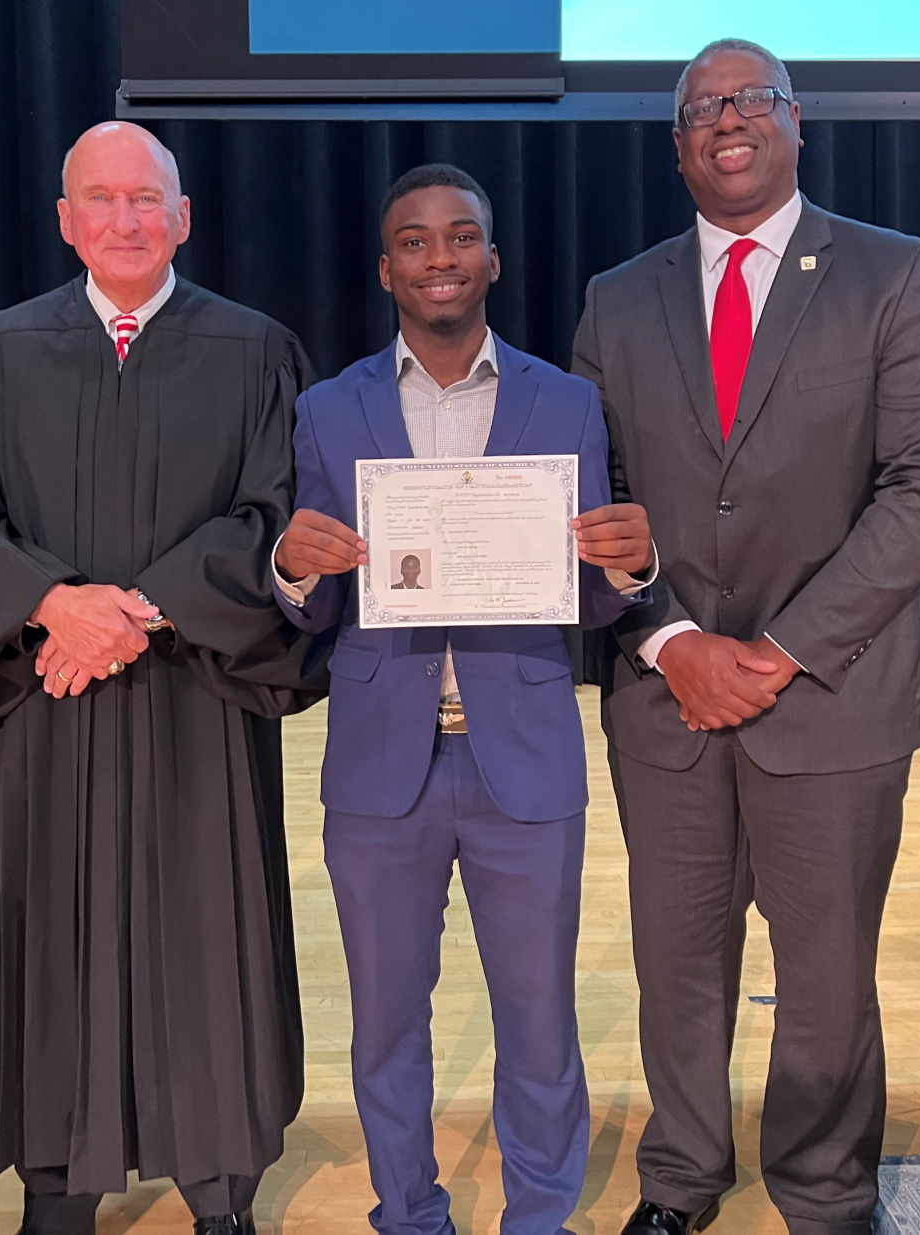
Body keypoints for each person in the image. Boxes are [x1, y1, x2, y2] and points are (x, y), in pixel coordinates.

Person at [0, 121, 328, 1235]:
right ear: (65, 219)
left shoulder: (255, 349)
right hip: (51, 698)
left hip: (198, 697)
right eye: (101, 199)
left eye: (147, 199)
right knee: (50, 922)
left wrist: (140, 607)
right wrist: (51, 602)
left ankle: (220, 1182)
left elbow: (282, 517)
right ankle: (58, 1179)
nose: (125, 220)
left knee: (207, 924)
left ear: (182, 216)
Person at [573, 39, 920, 1235]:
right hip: (666, 699)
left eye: (749, 100)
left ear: (795, 122)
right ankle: (680, 1175)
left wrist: (781, 649)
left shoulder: (896, 274)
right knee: (675, 965)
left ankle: (823, 1187)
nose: (726, 121)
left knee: (825, 974)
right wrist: (668, 639)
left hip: (833, 696)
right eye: (701, 109)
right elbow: (592, 498)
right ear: (678, 142)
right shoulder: (615, 296)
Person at [273, 164, 655, 1235]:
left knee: (536, 1018)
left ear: (490, 257)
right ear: (385, 266)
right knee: (386, 1021)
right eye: (413, 240)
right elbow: (309, 607)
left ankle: (535, 1216)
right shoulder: (326, 406)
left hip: (522, 759)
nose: (437, 257)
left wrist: (630, 566)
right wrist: (293, 568)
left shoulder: (566, 401)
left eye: (458, 237)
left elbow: (579, 590)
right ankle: (407, 1213)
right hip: (379, 767)